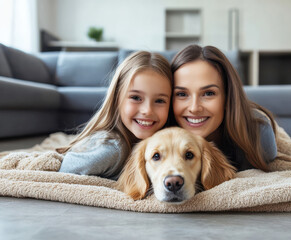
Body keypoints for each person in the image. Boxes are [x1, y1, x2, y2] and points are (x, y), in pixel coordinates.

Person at [57, 51, 173, 179]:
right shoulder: (113, 150)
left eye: (159, 101)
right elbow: (64, 174)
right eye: (136, 97)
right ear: (117, 98)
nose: (147, 110)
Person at [171, 45, 277, 172]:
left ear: (228, 97)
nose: (194, 108)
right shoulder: (157, 136)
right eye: (182, 94)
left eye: (209, 93)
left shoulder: (258, 135)